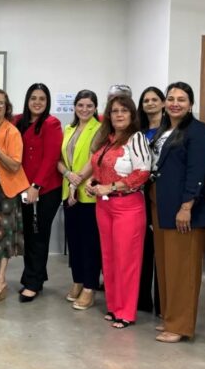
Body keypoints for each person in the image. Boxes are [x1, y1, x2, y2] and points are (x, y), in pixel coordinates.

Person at [150, 82, 205, 343]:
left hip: (183, 208)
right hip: (161, 203)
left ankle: (180, 325)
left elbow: (197, 171)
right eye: (171, 98)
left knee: (183, 268)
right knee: (167, 265)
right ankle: (170, 316)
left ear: (191, 104)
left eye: (181, 99)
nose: (175, 103)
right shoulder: (165, 129)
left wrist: (187, 206)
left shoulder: (198, 131)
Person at [82, 95, 151, 328]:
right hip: (104, 206)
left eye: (124, 110)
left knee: (126, 261)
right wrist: (93, 181)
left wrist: (111, 187)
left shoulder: (136, 138)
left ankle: (126, 312)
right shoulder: (107, 139)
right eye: (114, 111)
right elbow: (100, 168)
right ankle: (114, 307)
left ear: (132, 114)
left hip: (127, 206)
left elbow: (142, 173)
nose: (119, 115)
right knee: (109, 258)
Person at [14, 83, 63, 302]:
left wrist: (36, 186)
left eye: (42, 99)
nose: (37, 102)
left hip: (45, 190)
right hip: (23, 187)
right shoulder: (18, 121)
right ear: (27, 100)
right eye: (33, 98)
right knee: (29, 235)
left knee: (38, 236)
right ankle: (35, 276)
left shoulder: (52, 124)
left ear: (47, 102)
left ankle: (32, 283)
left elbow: (51, 158)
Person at [0, 89, 30, 303]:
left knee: (3, 235)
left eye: (0, 103)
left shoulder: (12, 132)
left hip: (5, 191)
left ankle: (1, 279)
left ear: (6, 107)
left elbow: (14, 165)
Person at [57, 90, 102, 311]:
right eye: (81, 105)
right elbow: (59, 159)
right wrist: (68, 175)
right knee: (74, 241)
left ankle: (90, 287)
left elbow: (96, 159)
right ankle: (77, 280)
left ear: (95, 108)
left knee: (90, 243)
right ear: (74, 107)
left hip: (88, 193)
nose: (84, 109)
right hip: (69, 193)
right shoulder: (69, 129)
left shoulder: (100, 129)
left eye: (89, 106)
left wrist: (78, 180)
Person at [136, 86, 166, 314]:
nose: (150, 103)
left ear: (163, 103)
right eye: (146, 100)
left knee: (162, 249)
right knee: (143, 247)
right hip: (139, 192)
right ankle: (142, 300)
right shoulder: (138, 131)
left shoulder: (171, 130)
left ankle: (163, 304)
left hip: (162, 192)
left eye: (154, 99)